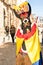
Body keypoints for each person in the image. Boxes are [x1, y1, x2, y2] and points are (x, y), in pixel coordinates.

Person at [12, 0, 42, 65]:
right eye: (21, 14)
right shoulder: (20, 27)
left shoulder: (33, 25)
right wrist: (14, 8)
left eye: (25, 13)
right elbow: (18, 36)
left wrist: (23, 36)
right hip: (21, 53)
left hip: (31, 54)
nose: (23, 15)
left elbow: (31, 35)